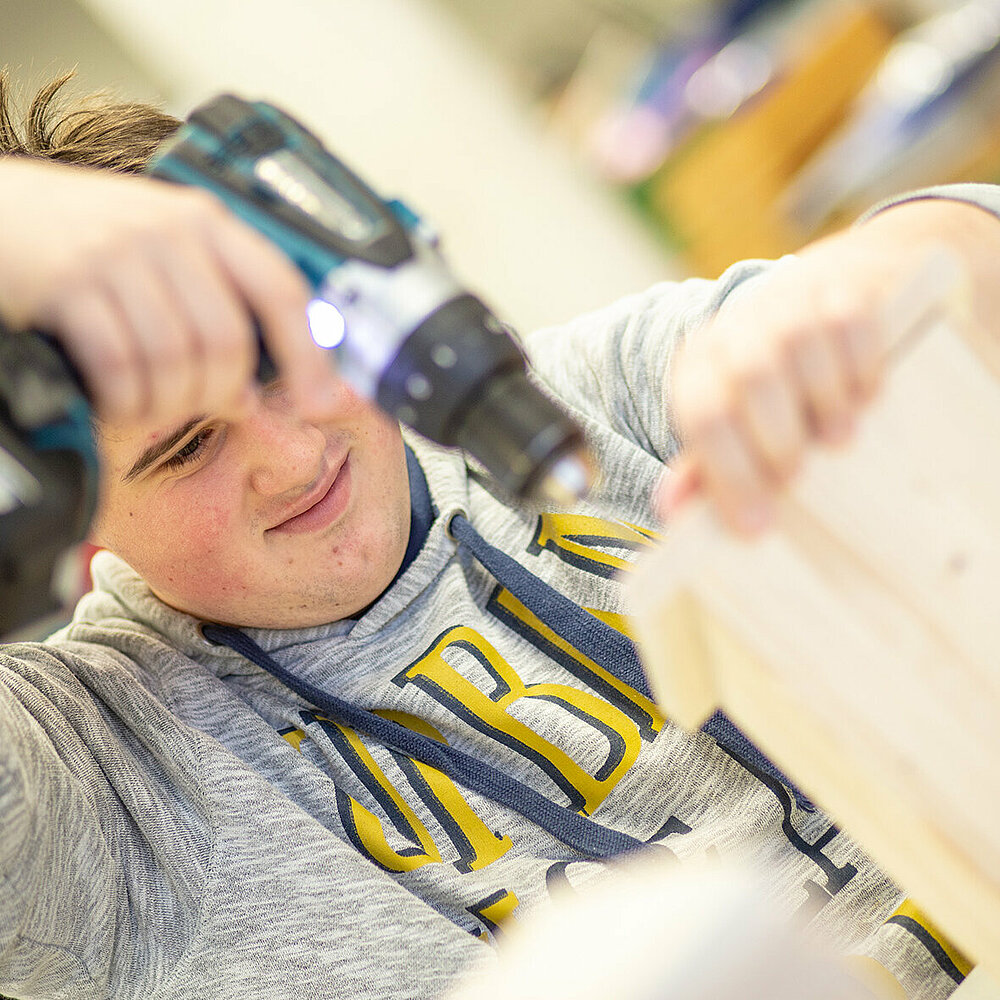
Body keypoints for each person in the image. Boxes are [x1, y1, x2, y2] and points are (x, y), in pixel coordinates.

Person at [1, 71, 997, 1000]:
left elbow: (961, 259)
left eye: (279, 359)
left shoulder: (589, 394)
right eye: (185, 450)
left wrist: (873, 280)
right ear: (77, 512)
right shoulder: (101, 787)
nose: (293, 454)